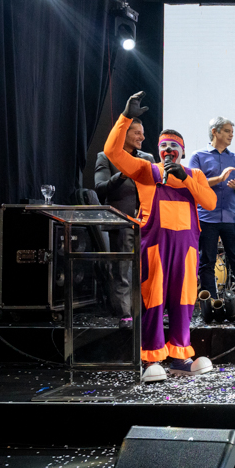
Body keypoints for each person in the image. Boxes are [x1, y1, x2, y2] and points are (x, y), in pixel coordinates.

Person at [105, 91, 217, 382]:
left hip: (186, 250)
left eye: (173, 146)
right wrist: (125, 117)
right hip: (155, 247)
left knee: (184, 301)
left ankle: (180, 356)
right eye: (163, 146)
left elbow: (210, 202)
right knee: (153, 300)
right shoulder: (146, 171)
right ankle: (151, 356)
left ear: (182, 151)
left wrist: (185, 177)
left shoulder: (195, 176)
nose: (168, 150)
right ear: (158, 150)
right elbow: (112, 152)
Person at [187, 117, 235, 310]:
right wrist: (219, 179)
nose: (231, 134)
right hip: (206, 217)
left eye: (232, 131)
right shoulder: (198, 156)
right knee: (207, 261)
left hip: (231, 217)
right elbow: (193, 184)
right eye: (226, 131)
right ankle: (212, 304)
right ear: (215, 132)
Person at [94, 116, 154, 319]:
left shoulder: (147, 158)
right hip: (121, 222)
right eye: (137, 133)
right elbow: (100, 188)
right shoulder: (106, 157)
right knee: (123, 270)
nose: (142, 137)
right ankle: (126, 314)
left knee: (147, 269)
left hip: (146, 223)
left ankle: (148, 310)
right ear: (123, 133)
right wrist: (121, 176)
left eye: (142, 133)